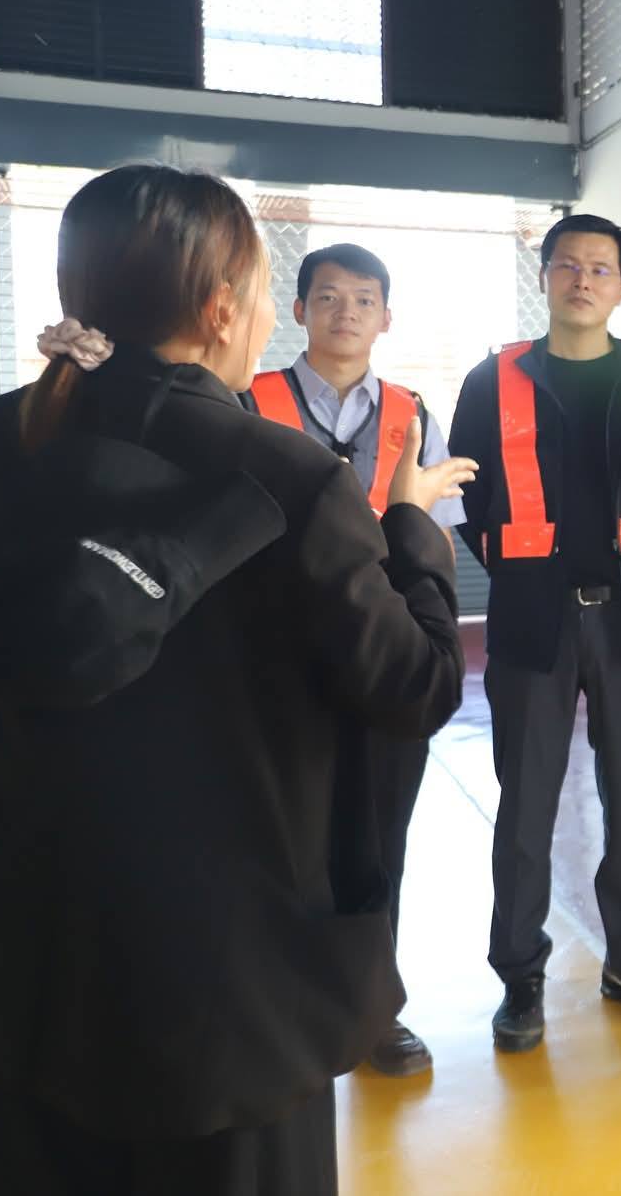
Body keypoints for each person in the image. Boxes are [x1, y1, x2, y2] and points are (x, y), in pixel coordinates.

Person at [0, 164, 470, 1195]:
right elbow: (415, 687)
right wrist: (413, 530)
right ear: (221, 309)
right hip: (230, 1003)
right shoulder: (288, 476)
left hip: (24, 982)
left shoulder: (1, 442)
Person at [451, 212, 621, 1052]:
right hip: (533, 617)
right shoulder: (493, 378)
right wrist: (522, 568)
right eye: (567, 265)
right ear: (544, 277)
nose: (583, 280)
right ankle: (520, 974)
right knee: (527, 800)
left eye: (600, 268)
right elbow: (469, 492)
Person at [240, 241, 465, 1077]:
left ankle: (373, 1011)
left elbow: (437, 532)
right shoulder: (247, 399)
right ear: (298, 310)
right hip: (274, 654)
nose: (346, 312)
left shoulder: (414, 413)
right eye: (328, 296)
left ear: (386, 317)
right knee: (272, 834)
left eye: (363, 299)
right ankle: (272, 1006)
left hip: (382, 648)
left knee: (380, 838)